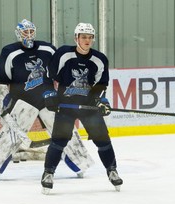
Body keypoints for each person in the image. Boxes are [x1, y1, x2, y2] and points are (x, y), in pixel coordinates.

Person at [0, 19, 94, 180]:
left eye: (30, 31)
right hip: (22, 100)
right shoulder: (10, 52)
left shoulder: (47, 48)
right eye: (25, 32)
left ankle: (80, 164)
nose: (28, 35)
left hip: (47, 98)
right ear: (18, 33)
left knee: (65, 129)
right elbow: (0, 79)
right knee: (11, 134)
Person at [41, 23, 123, 194]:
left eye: (89, 37)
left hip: (89, 107)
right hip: (66, 106)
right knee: (59, 140)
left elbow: (101, 85)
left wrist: (102, 101)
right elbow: (48, 76)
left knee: (103, 140)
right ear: (76, 38)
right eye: (83, 37)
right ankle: (48, 173)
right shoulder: (64, 54)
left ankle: (112, 170)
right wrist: (49, 94)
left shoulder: (99, 59)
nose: (87, 40)